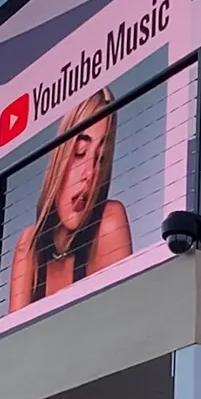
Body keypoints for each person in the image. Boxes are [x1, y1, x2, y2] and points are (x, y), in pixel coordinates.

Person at [7, 90, 134, 312]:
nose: (90, 173)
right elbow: (11, 344)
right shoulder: (28, 247)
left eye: (100, 158)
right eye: (80, 152)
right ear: (59, 157)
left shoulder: (109, 223)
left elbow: (122, 328)